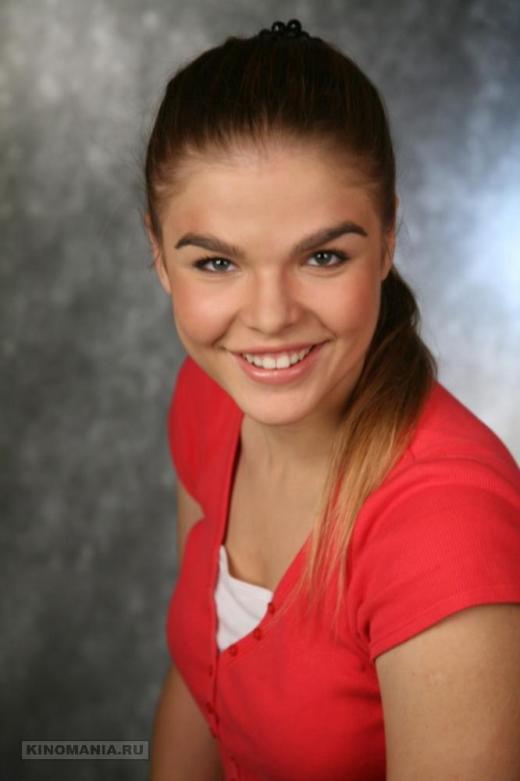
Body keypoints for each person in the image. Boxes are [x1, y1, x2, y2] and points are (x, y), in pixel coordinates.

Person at [143, 18, 520, 781]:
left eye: (322, 256)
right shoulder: (209, 399)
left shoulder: (448, 529)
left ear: (387, 241)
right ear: (158, 256)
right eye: (216, 262)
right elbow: (201, 681)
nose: (270, 315)